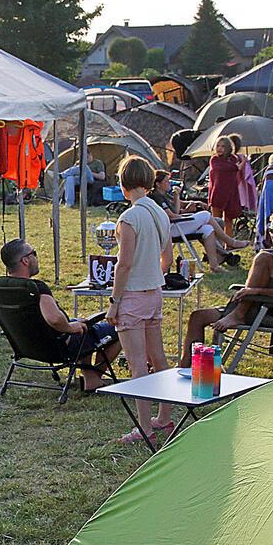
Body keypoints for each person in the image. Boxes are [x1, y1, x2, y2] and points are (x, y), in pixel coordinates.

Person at [177, 210, 273, 366]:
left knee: (263, 257)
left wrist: (256, 291)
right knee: (197, 317)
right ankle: (186, 368)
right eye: (271, 230)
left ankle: (239, 313)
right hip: (257, 305)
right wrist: (252, 292)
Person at [107, 155, 174, 444]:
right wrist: (152, 275)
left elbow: (124, 264)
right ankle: (165, 417)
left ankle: (144, 427)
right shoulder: (160, 213)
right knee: (158, 358)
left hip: (133, 296)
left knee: (137, 365)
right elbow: (167, 258)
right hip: (155, 293)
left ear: (123, 185)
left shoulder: (129, 218)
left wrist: (114, 300)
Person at [1, 238, 118, 391]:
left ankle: (90, 378)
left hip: (26, 345)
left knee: (81, 325)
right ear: (25, 261)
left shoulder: (2, 287)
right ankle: (94, 378)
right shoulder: (35, 288)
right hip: (58, 346)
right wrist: (70, 327)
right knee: (119, 328)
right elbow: (55, 319)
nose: (36, 257)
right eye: (34, 253)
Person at [147, 169, 247, 271]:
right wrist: (181, 204)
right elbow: (173, 215)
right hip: (170, 229)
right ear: (158, 184)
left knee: (207, 229)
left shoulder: (165, 194)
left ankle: (214, 265)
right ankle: (230, 242)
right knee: (205, 215)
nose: (169, 183)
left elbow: (180, 205)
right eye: (166, 181)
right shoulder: (157, 197)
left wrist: (196, 203)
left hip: (177, 225)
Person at [208, 134, 246, 236]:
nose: (220, 148)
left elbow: (235, 168)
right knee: (216, 221)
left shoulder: (233, 159)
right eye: (218, 146)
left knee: (228, 221)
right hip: (217, 193)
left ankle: (228, 244)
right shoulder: (214, 160)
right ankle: (217, 244)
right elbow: (223, 168)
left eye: (223, 146)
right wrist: (236, 167)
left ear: (228, 148)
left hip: (231, 194)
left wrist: (240, 164)